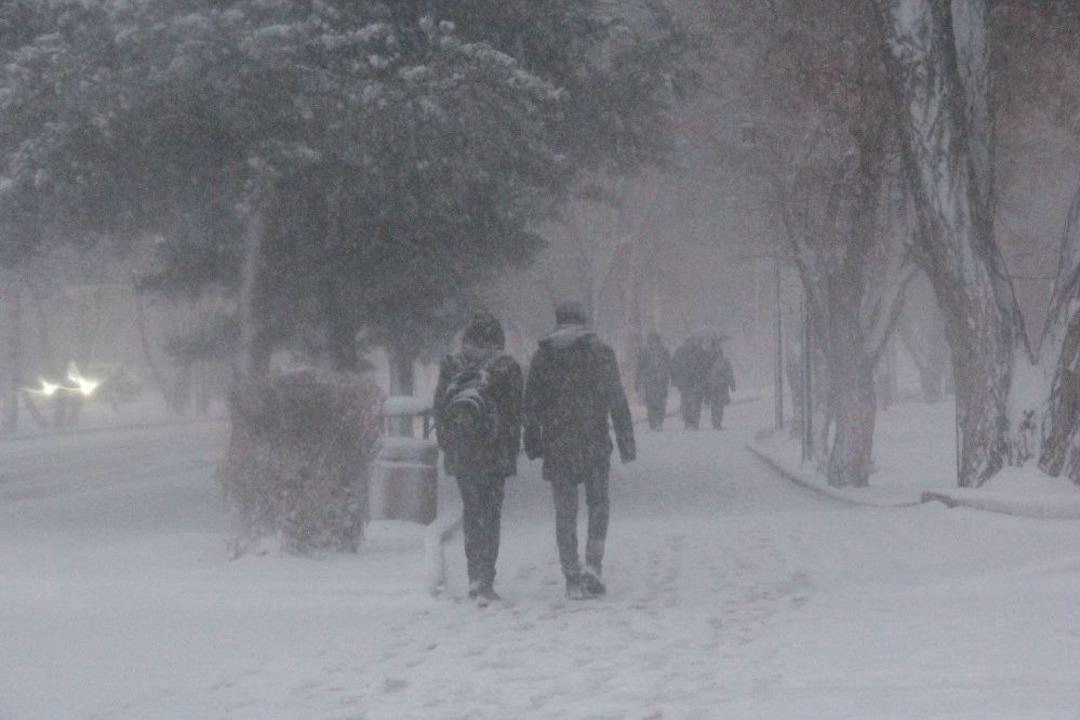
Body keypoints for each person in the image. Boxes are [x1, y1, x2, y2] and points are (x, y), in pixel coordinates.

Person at [524, 302, 635, 600]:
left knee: (565, 511)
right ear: (583, 322)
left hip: (558, 444)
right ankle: (593, 564)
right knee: (598, 505)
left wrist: (532, 440)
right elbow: (617, 399)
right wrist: (626, 441)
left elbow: (532, 404)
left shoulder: (544, 356)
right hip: (594, 442)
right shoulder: (601, 354)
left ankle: (571, 574)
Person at [433, 311, 522, 607]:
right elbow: (514, 413)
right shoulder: (506, 367)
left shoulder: (452, 365)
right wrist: (510, 451)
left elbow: (440, 408)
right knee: (491, 514)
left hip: (464, 453)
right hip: (494, 453)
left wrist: (450, 445)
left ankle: (473, 575)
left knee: (472, 512)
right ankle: (486, 579)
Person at [670, 336, 712, 430]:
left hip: (697, 382)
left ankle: (694, 421)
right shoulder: (681, 352)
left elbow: (706, 366)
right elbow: (673, 365)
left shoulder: (699, 352)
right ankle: (688, 421)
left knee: (696, 402)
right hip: (686, 382)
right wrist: (677, 377)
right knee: (687, 403)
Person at [635, 332, 671, 431]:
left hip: (650, 381)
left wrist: (637, 381)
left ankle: (654, 421)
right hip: (660, 381)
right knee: (659, 401)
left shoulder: (645, 352)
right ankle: (658, 420)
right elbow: (669, 366)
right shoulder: (664, 351)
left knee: (652, 402)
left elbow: (640, 367)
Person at [706, 344, 736, 430]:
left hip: (721, 386)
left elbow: (729, 372)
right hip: (712, 386)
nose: (716, 352)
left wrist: (732, 384)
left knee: (719, 405)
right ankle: (715, 422)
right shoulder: (709, 361)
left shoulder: (725, 361)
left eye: (717, 350)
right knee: (714, 405)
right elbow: (705, 373)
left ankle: (718, 422)